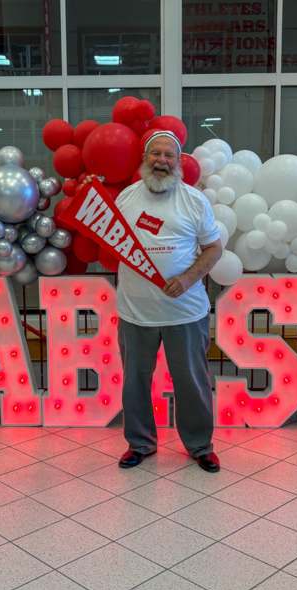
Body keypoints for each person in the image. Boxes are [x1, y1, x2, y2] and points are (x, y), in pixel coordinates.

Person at [113, 130, 223, 473]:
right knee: (135, 382)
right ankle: (140, 444)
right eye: (155, 153)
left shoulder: (194, 200)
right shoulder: (126, 198)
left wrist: (188, 279)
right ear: (145, 158)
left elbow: (214, 248)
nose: (161, 160)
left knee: (192, 382)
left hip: (185, 312)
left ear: (179, 161)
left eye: (168, 155)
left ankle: (200, 446)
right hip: (135, 312)